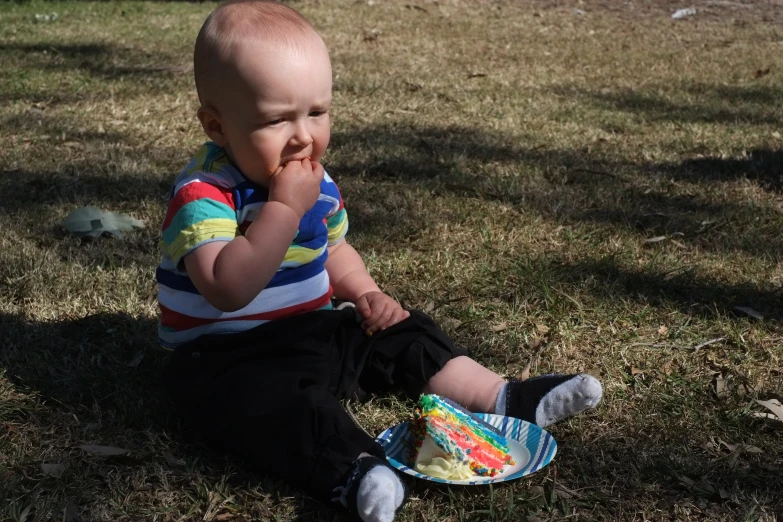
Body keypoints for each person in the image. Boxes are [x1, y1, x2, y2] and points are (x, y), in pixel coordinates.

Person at [156, 2, 603, 521]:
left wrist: (365, 293)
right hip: (226, 358)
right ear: (217, 126)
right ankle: (359, 471)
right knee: (281, 408)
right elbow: (227, 287)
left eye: (317, 112)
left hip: (314, 332)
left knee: (406, 334)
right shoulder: (205, 193)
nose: (303, 135)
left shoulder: (313, 181)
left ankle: (503, 399)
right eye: (276, 119)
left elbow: (335, 250)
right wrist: (282, 209)